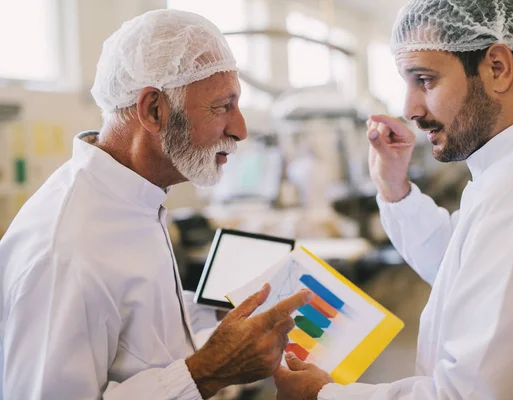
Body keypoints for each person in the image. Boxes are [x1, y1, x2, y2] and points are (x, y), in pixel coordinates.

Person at [274, 0, 513, 399]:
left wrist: (322, 395)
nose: (410, 108)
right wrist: (395, 188)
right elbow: (463, 266)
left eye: (424, 80)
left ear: (497, 67)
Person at [0, 9, 313, 399]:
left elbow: (133, 325)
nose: (240, 129)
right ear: (153, 109)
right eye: (222, 107)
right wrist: (207, 372)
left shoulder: (133, 199)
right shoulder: (65, 252)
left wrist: (213, 312)